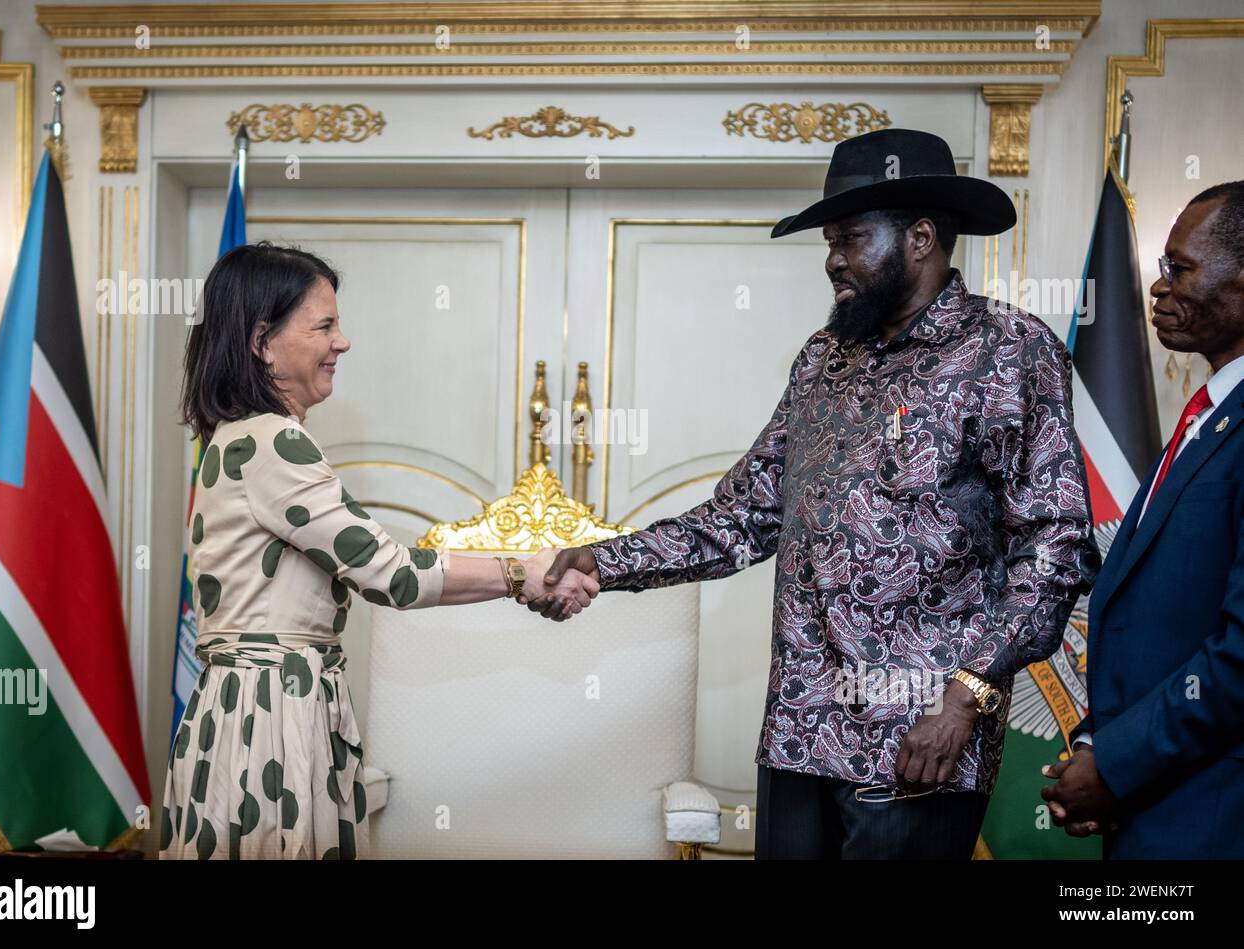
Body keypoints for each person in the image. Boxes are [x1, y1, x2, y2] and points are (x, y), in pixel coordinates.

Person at [526, 129, 1100, 859]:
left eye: (852, 238)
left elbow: (1053, 549)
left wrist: (966, 697)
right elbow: (742, 514)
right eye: (830, 240)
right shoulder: (823, 359)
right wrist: (604, 563)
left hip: (916, 742)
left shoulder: (1010, 350)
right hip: (798, 734)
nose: (833, 259)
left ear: (921, 238)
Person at [162, 242, 596, 859]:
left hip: (253, 710)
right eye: (324, 325)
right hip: (270, 722)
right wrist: (522, 571)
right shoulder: (272, 443)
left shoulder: (237, 440)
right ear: (262, 341)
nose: (343, 342)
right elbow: (390, 574)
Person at [1042, 181, 1244, 858]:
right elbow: (1163, 622)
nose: (1158, 288)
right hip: (1161, 803)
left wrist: (1117, 764)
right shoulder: (1208, 417)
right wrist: (1103, 743)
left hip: (1213, 817)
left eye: (1180, 268)